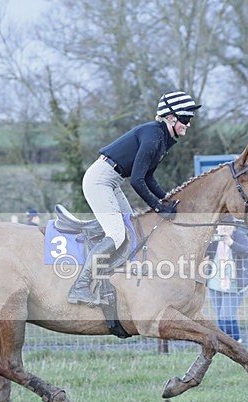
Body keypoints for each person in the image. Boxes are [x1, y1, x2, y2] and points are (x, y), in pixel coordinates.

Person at [67, 90, 201, 305]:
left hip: (111, 180)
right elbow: (137, 180)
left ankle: (114, 280)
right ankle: (80, 286)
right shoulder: (153, 136)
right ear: (170, 118)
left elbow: (148, 177)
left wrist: (167, 199)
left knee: (132, 230)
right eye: (185, 119)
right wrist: (159, 208)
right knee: (118, 235)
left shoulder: (161, 137)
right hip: (100, 180)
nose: (188, 124)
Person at [206, 221, 248, 342]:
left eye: (227, 225)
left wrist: (230, 242)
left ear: (233, 226)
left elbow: (246, 252)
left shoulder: (239, 236)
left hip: (234, 284)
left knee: (226, 316)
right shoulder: (214, 238)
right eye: (221, 225)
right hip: (214, 283)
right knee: (221, 316)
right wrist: (209, 238)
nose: (224, 228)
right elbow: (204, 252)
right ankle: (229, 341)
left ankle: (233, 341)